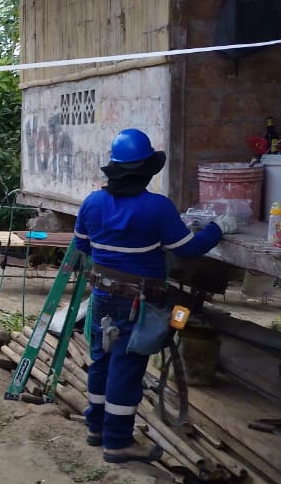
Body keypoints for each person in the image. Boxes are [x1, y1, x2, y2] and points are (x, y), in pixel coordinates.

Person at [75, 129, 237, 463]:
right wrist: (219, 227)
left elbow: (82, 244)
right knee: (126, 367)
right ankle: (118, 443)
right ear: (147, 171)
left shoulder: (92, 202)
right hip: (137, 302)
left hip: (102, 293)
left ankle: (96, 428)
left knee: (102, 360)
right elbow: (189, 249)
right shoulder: (157, 207)